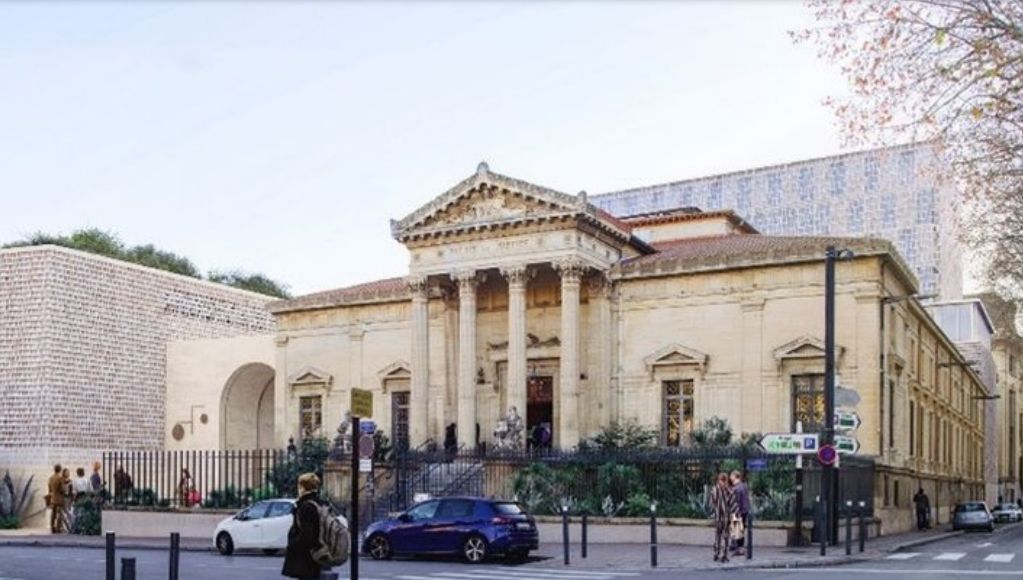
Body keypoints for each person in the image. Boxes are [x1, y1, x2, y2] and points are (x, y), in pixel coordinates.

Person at [283, 472, 326, 579]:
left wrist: (292, 545)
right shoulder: (319, 503)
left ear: (302, 487)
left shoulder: (306, 506)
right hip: (318, 553)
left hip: (306, 557)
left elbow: (307, 535)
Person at [709, 472, 737, 563]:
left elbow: (732, 504)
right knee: (720, 535)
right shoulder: (717, 491)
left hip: (724, 517)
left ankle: (723, 554)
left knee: (724, 536)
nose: (723, 483)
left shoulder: (727, 491)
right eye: (722, 480)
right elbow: (712, 503)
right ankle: (719, 553)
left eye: (724, 481)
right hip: (721, 517)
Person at [730, 470, 751, 556]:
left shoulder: (736, 488)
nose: (730, 477)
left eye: (731, 476)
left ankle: (740, 549)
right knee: (740, 530)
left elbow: (736, 501)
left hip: (738, 511)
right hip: (744, 510)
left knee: (738, 530)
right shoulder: (744, 486)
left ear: (735, 477)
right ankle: (737, 546)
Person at [47, 464, 67, 534]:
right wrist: (65, 490)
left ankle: (52, 527)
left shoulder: (51, 478)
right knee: (60, 513)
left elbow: (49, 488)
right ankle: (58, 528)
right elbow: (63, 489)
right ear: (60, 470)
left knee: (53, 514)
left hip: (53, 497)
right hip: (59, 498)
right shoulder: (60, 478)